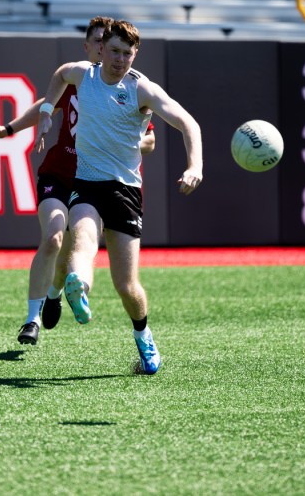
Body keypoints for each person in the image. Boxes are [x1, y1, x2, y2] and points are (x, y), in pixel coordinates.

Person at [0, 16, 156, 347]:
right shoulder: (81, 77)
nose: (105, 50)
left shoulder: (128, 90)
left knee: (76, 252)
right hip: (60, 175)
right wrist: (9, 129)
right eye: (100, 43)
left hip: (98, 182)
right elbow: (47, 104)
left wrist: (126, 143)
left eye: (111, 44)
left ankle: (57, 292)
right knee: (55, 238)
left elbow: (150, 139)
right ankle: (32, 318)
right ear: (89, 47)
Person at [35, 19, 203, 375]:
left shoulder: (142, 89)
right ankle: (78, 287)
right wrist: (47, 113)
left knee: (127, 285)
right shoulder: (84, 75)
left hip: (125, 191)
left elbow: (189, 123)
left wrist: (195, 166)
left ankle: (144, 337)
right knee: (82, 242)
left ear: (135, 54)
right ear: (101, 49)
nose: (120, 59)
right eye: (113, 51)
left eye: (127, 53)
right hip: (88, 183)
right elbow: (59, 76)